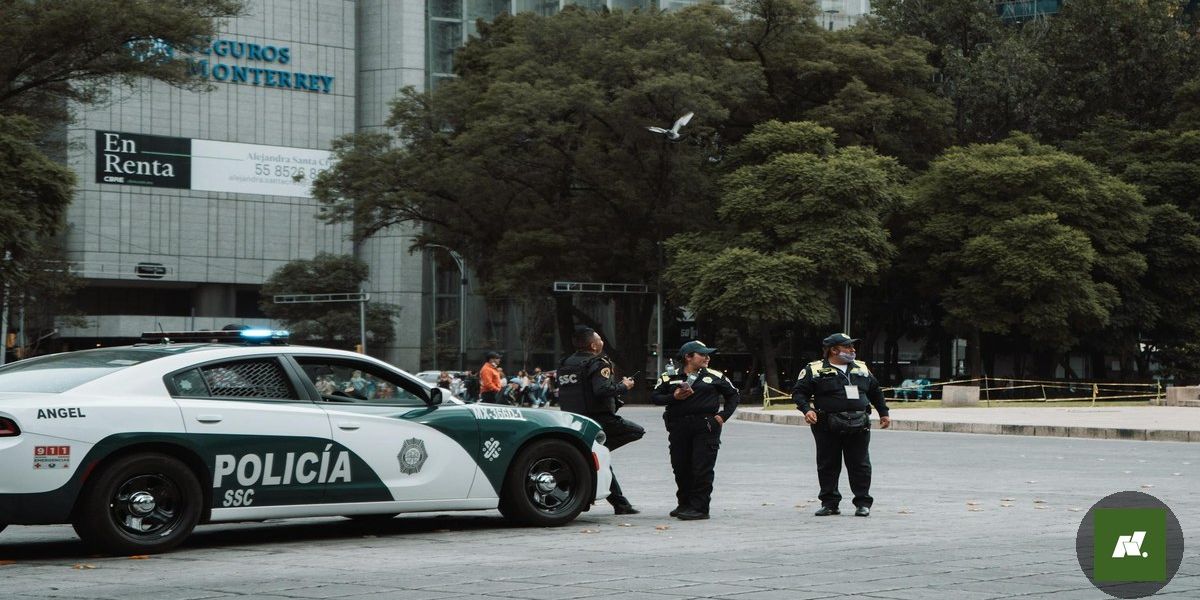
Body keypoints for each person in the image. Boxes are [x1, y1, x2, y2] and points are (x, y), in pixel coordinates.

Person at [791, 332, 891, 517]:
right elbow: (798, 393)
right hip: (826, 424)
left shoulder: (861, 367)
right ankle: (830, 503)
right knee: (828, 463)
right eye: (848, 347)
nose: (853, 350)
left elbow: (875, 390)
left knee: (860, 464)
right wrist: (807, 410)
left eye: (853, 347)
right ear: (834, 350)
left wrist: (883, 412)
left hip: (859, 422)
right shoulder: (814, 369)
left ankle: (862, 503)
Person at [557, 325, 643, 515]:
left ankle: (621, 505)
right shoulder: (598, 362)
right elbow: (602, 390)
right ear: (593, 345)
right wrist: (624, 386)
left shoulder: (565, 364)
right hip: (598, 420)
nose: (602, 342)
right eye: (599, 339)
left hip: (572, 419)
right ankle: (592, 456)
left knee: (599, 458)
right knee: (636, 431)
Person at [652, 340, 739, 521]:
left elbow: (734, 395)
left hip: (705, 427)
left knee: (702, 468)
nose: (707, 357)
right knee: (680, 466)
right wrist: (673, 396)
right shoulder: (669, 376)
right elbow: (656, 397)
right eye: (702, 354)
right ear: (688, 357)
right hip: (678, 427)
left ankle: (700, 508)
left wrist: (722, 416)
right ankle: (684, 503)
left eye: (708, 354)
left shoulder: (714, 376)